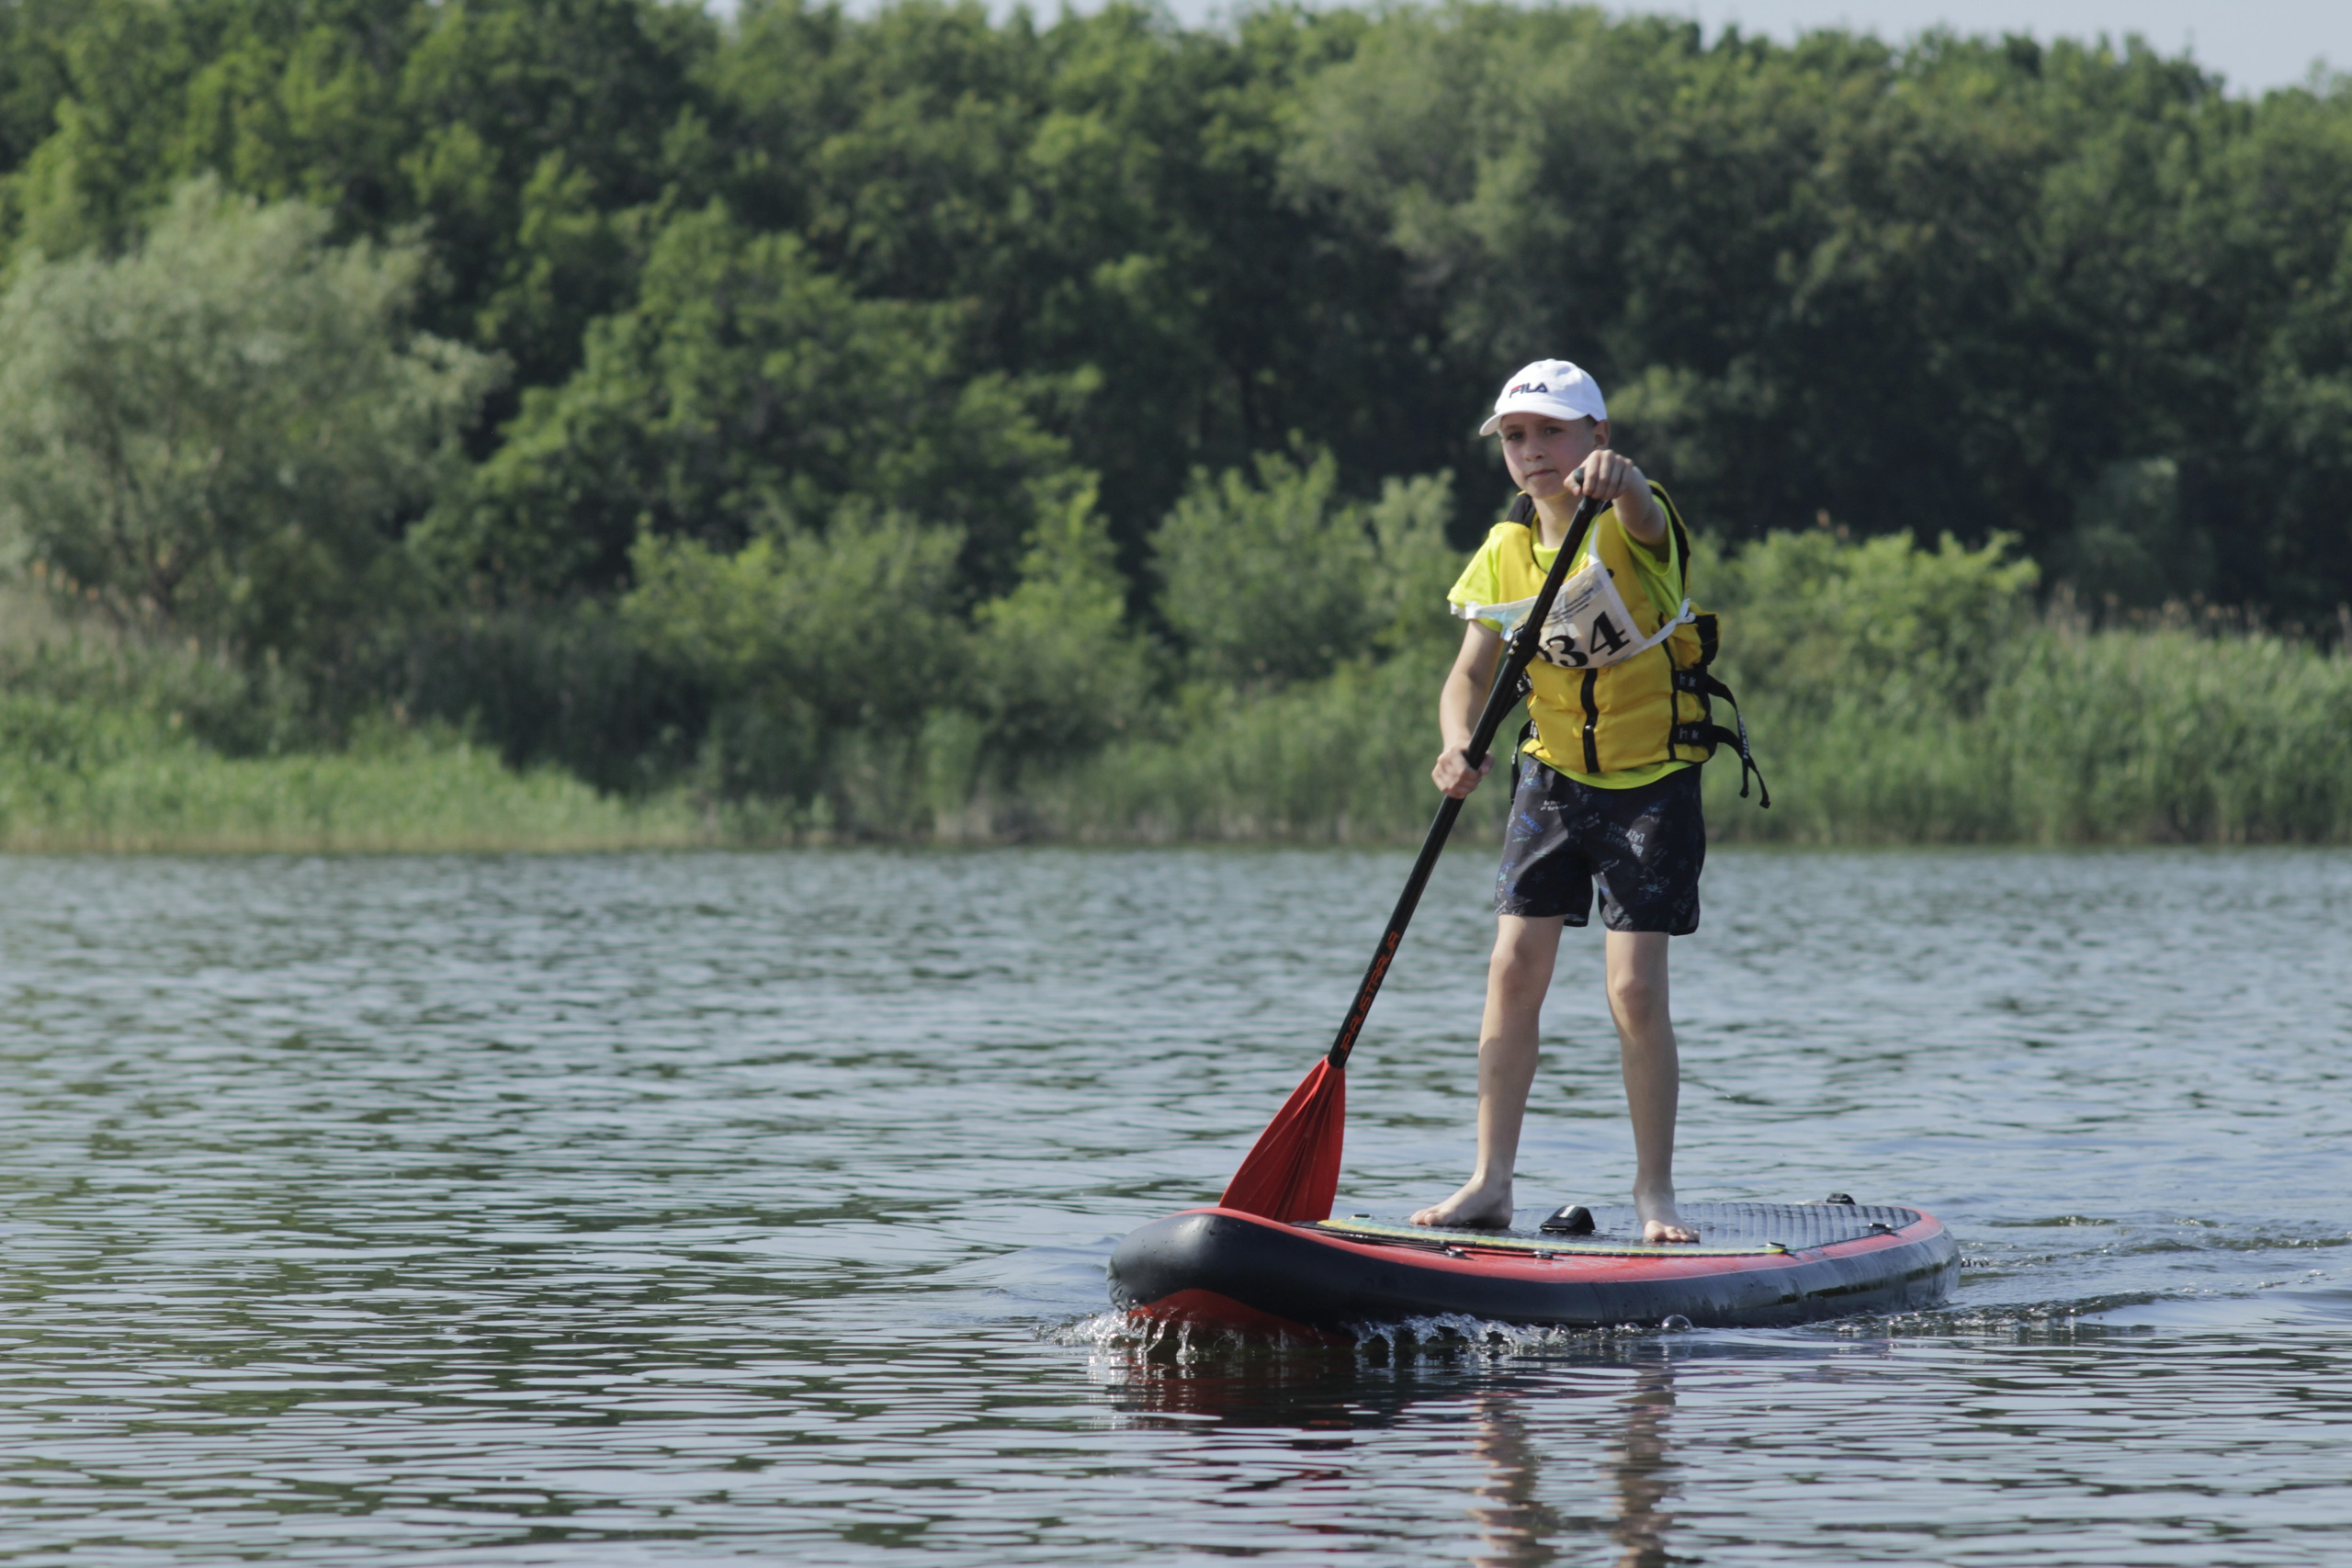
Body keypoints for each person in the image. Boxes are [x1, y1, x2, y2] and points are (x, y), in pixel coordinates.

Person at [1411, 357, 1729, 1243]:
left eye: (1553, 431)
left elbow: (1645, 512)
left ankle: (1655, 1193)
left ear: (1597, 435)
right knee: (1512, 969)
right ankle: (1489, 1182)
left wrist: (1624, 480)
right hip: (1550, 778)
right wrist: (1456, 743)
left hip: (1649, 784)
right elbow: (1467, 676)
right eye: (1516, 436)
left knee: (1633, 989)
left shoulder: (1634, 521)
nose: (1533, 450)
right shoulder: (1504, 550)